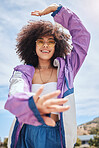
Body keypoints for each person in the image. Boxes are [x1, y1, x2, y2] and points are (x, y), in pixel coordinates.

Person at [4, 3, 90, 148]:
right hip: (28, 134)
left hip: (57, 134)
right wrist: (31, 104)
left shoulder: (67, 68)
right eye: (41, 41)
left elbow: (83, 37)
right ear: (33, 45)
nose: (45, 45)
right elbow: (15, 92)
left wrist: (58, 10)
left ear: (56, 46)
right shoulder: (23, 72)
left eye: (51, 42)